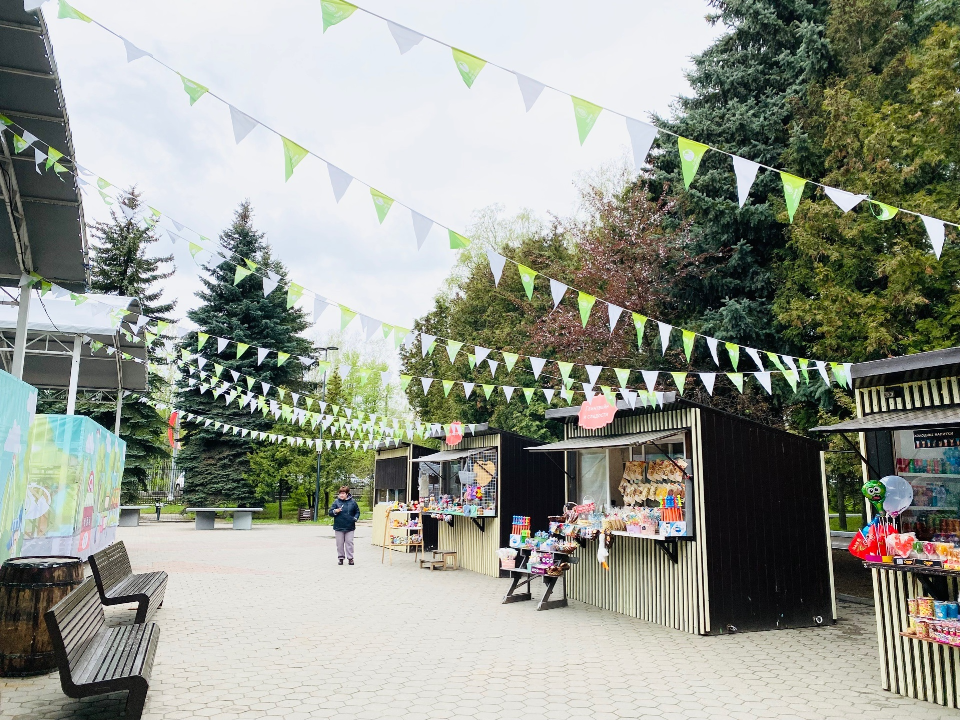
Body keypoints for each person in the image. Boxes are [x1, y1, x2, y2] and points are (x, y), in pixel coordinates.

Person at [328, 485, 361, 565]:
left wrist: (355, 518)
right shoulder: (336, 502)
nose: (341, 495)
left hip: (350, 526)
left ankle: (350, 558)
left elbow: (357, 511)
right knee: (339, 544)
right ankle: (341, 558)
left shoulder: (353, 502)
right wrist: (335, 511)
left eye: (343, 493)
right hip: (339, 527)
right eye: (340, 493)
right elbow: (330, 512)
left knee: (349, 543)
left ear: (347, 494)